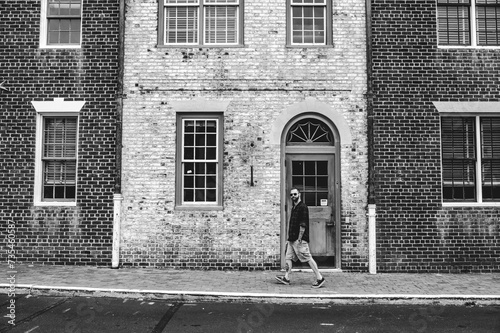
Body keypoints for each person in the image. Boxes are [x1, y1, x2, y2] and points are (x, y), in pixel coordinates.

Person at [275, 188, 326, 288]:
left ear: (299, 194)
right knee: (288, 257)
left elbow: (303, 224)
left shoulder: (303, 207)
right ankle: (286, 277)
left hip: (299, 240)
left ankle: (320, 278)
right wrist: (289, 239)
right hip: (292, 239)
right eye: (291, 195)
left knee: (307, 258)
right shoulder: (294, 207)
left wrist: (299, 239)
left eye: (295, 194)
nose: (293, 196)